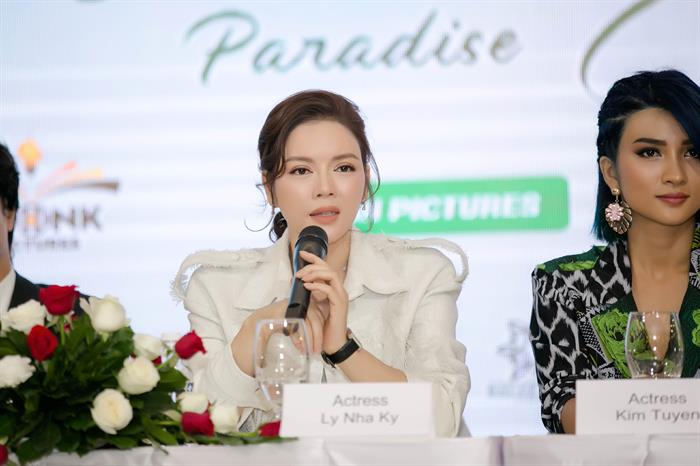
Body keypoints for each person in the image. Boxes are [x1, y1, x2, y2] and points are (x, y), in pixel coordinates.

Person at [173, 90, 470, 436]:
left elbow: (443, 421)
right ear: (269, 188)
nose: (325, 188)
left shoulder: (423, 274)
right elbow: (198, 429)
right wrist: (257, 329)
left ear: (365, 182)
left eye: (343, 168)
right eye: (301, 170)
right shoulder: (215, 287)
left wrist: (343, 348)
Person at [530, 70, 700, 434]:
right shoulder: (565, 285)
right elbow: (565, 410)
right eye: (650, 152)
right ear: (611, 173)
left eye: (692, 152)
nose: (675, 173)